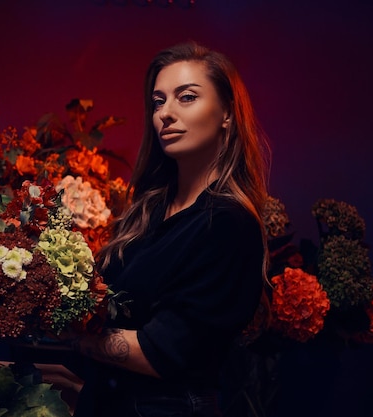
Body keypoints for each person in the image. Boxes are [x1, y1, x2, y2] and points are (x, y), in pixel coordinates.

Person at [69, 41, 271, 417]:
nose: (165, 114)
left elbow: (163, 351)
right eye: (158, 102)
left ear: (227, 113)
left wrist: (68, 333)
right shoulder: (148, 212)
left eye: (187, 97)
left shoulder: (228, 224)